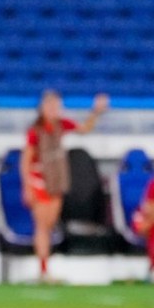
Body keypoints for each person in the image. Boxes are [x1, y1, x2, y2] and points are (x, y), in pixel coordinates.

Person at [19, 89, 109, 283]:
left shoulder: (61, 125)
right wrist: (26, 186)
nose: (53, 109)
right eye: (49, 105)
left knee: (50, 225)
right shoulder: (35, 131)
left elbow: (84, 129)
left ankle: (45, 267)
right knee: (42, 226)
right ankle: (43, 270)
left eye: (56, 106)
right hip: (39, 181)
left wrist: (96, 112)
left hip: (56, 181)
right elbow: (26, 160)